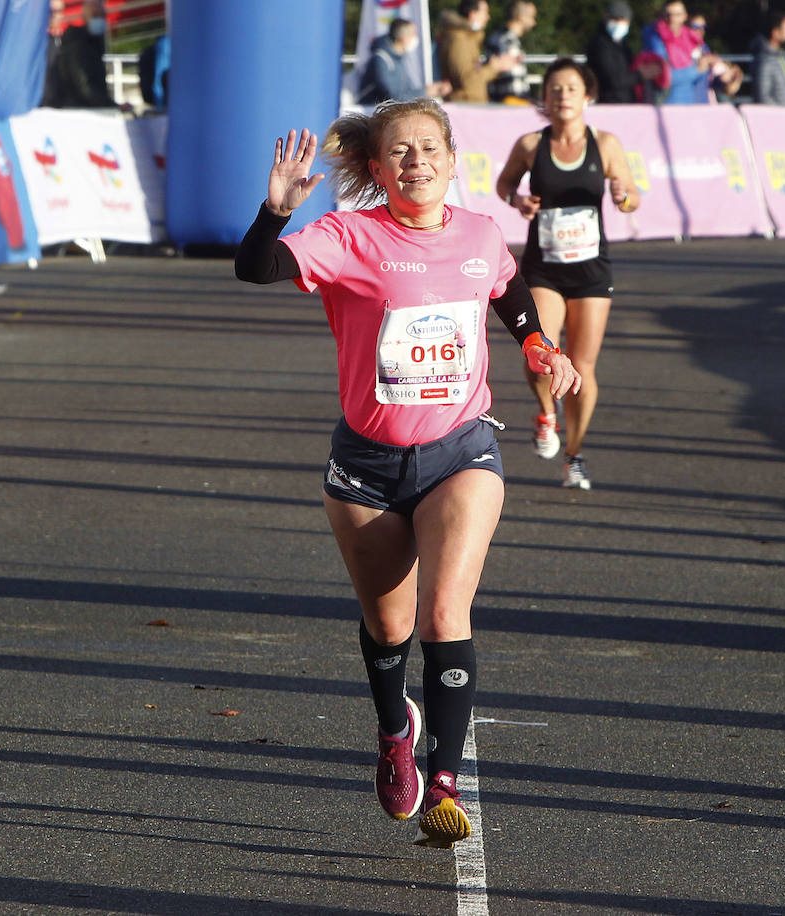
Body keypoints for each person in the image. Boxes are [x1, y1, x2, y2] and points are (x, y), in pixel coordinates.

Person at [233, 101, 581, 847]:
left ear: (454, 160)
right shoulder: (348, 236)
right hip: (366, 464)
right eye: (400, 152)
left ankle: (445, 784)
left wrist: (539, 344)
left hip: (461, 450)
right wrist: (274, 211)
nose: (416, 161)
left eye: (430, 148)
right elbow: (255, 268)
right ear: (376, 168)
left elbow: (507, 290)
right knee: (388, 625)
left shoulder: (480, 234)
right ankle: (396, 729)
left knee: (443, 617)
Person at [495, 58, 639, 489]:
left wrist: (622, 196)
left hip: (592, 270)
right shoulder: (530, 145)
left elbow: (632, 196)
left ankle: (574, 454)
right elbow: (504, 185)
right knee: (539, 350)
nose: (562, 96)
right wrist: (518, 202)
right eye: (555, 89)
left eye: (571, 89)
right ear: (544, 97)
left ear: (587, 97)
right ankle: (546, 413)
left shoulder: (606, 143)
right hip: (544, 268)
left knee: (584, 366)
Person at [436, 0, 517, 103]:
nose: (488, 17)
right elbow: (468, 81)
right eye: (485, 12)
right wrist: (494, 67)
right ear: (472, 14)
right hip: (465, 107)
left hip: (468, 105)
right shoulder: (460, 41)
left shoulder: (466, 39)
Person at [357, 18, 450, 105]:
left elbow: (405, 90)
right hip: (371, 111)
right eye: (413, 34)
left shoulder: (398, 58)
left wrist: (429, 90)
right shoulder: (380, 59)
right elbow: (393, 96)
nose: (415, 38)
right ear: (403, 38)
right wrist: (425, 92)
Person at [585, 0, 663, 105]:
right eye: (615, 19)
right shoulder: (600, 45)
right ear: (606, 18)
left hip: (626, 101)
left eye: (623, 20)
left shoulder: (623, 44)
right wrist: (641, 75)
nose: (619, 23)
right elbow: (613, 80)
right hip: (608, 103)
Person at [42, 0, 116, 108]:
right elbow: (84, 85)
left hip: (65, 107)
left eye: (59, 11)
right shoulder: (78, 43)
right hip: (69, 108)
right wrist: (107, 104)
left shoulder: (89, 43)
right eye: (52, 11)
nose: (56, 16)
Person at [643, 0, 703, 103]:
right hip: (665, 103)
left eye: (677, 15)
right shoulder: (655, 39)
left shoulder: (690, 38)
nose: (672, 19)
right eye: (668, 15)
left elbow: (701, 76)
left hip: (688, 102)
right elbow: (664, 76)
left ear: (685, 16)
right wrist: (697, 70)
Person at [484, 1, 537, 103]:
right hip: (511, 102)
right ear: (521, 17)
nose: (534, 22)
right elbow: (513, 81)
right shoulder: (508, 40)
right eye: (532, 17)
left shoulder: (498, 37)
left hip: (504, 101)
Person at [750, 11, 785, 106]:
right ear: (775, 33)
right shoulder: (764, 61)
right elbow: (763, 98)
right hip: (778, 118)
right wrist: (780, 114)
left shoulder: (781, 57)